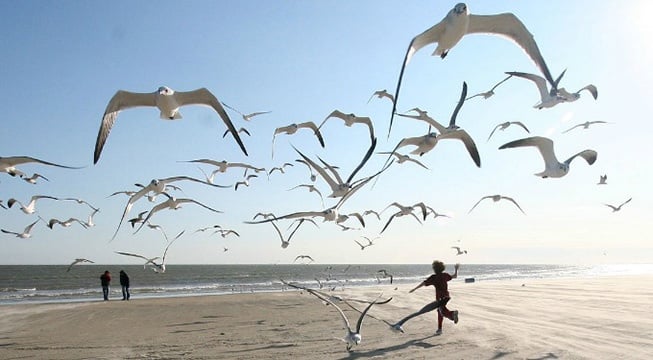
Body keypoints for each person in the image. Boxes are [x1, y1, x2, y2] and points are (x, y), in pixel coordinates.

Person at [391, 261, 459, 335]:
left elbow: (424, 283)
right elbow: (455, 276)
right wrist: (456, 269)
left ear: (434, 269)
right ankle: (439, 329)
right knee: (440, 311)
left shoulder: (434, 277)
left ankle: (452, 314)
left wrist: (415, 288)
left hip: (440, 299)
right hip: (446, 297)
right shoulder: (445, 275)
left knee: (442, 311)